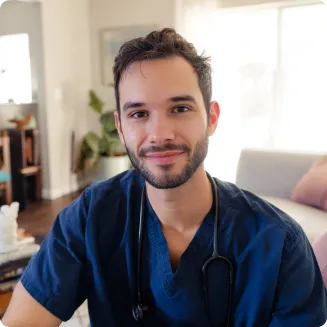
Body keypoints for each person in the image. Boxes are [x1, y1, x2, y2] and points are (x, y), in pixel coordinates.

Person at [1, 28, 327, 327]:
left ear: (211, 118)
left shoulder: (279, 244)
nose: (159, 134)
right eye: (139, 114)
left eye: (180, 108)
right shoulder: (90, 218)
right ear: (120, 126)